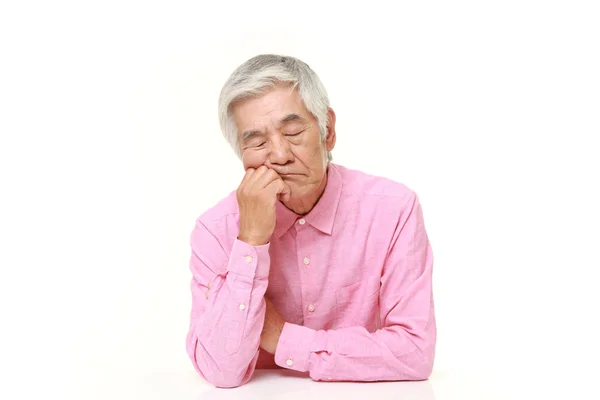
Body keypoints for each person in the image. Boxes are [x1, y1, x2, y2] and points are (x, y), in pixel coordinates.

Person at [185, 54, 436, 388]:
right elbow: (221, 372)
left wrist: (280, 339)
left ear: (327, 131)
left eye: (292, 132)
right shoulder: (216, 230)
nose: (278, 155)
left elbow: (415, 351)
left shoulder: (393, 210)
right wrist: (251, 241)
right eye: (257, 141)